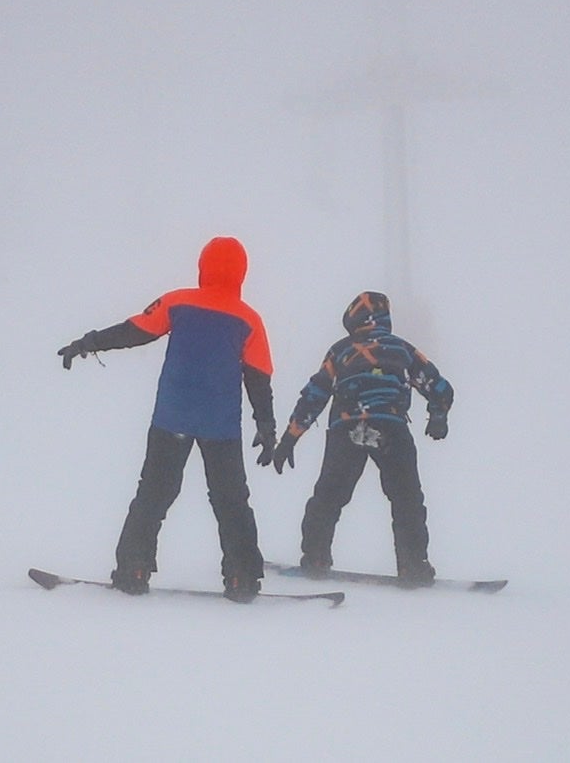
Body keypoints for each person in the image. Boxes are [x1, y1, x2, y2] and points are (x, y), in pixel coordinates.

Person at [57, 236, 278, 602]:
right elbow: (258, 377)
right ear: (242, 273)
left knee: (154, 494)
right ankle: (242, 577)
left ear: (202, 266)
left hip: (173, 415)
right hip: (220, 424)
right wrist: (266, 426)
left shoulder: (178, 301)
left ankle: (134, 569)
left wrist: (88, 343)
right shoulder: (249, 319)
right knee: (231, 500)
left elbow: (133, 331)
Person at [270, 291, 453, 584]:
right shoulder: (402, 349)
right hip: (391, 426)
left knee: (329, 495)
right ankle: (413, 565)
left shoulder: (341, 350)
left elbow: (315, 394)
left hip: (347, 427)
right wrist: (438, 416)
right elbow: (440, 387)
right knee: (406, 497)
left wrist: (290, 439)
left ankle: (316, 557)